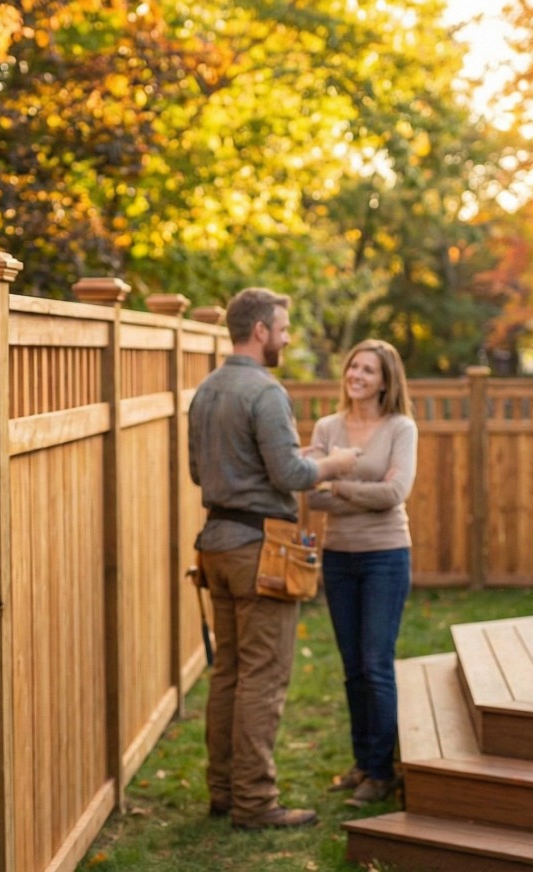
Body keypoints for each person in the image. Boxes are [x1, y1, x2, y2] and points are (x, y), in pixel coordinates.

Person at [188, 287, 360, 830]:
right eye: (282, 329)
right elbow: (289, 475)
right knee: (263, 678)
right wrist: (334, 463)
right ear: (260, 330)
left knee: (229, 673)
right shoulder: (265, 391)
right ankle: (256, 802)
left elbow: (201, 471)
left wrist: (295, 459)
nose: (286, 338)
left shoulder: (206, 390)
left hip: (216, 544)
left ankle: (224, 791)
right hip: (259, 551)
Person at [305, 339, 418, 805]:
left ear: (386, 381)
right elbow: (311, 495)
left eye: (368, 370)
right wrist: (358, 488)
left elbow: (395, 493)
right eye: (354, 366)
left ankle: (382, 771)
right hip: (338, 557)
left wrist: (339, 485)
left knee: (375, 664)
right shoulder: (327, 427)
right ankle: (363, 761)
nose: (357, 375)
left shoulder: (400, 428)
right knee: (353, 668)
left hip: (384, 556)